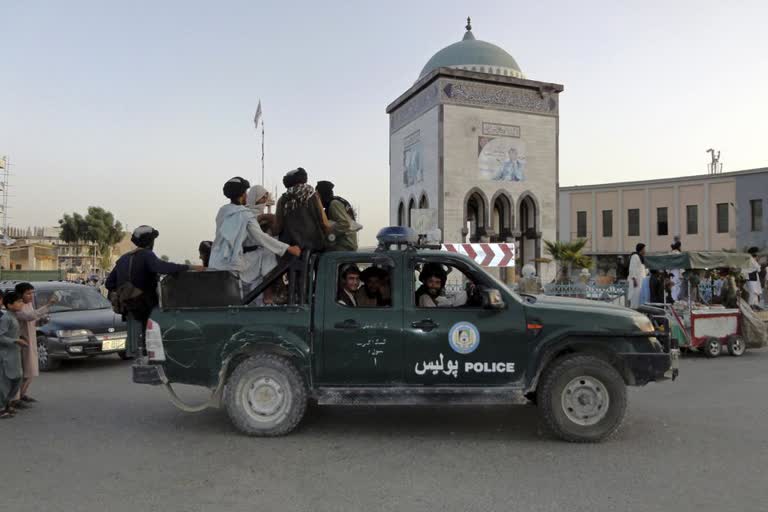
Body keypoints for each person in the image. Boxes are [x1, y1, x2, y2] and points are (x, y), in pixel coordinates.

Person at [106, 225, 200, 357]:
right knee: (154, 342)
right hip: (146, 307)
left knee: (139, 345)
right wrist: (190, 267)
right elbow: (163, 267)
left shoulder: (124, 259)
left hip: (129, 308)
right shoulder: (147, 255)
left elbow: (109, 283)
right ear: (150, 241)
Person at [209, 178, 300, 294]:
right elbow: (261, 238)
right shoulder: (245, 215)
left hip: (215, 262)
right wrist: (288, 248)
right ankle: (269, 294)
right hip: (231, 264)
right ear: (242, 195)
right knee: (269, 254)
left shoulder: (222, 211)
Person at [14, 282, 58, 404]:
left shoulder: (29, 305)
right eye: (28, 293)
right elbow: (29, 316)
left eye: (32, 293)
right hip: (22, 343)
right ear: (20, 295)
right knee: (23, 372)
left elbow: (32, 320)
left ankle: (22, 394)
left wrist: (41, 321)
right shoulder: (18, 306)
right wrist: (49, 305)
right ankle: (15, 398)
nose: (31, 296)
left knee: (30, 371)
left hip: (31, 341)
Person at [275, 168, 331, 251]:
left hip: (291, 250)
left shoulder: (283, 199)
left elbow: (278, 227)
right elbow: (325, 223)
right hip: (314, 249)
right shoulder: (313, 195)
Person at [0, 291, 27, 419]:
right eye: (18, 301)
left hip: (15, 353)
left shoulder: (13, 316)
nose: (21, 304)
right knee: (5, 382)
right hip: (6, 355)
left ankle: (7, 404)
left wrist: (20, 338)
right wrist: (15, 340)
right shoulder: (5, 318)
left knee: (16, 379)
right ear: (9, 305)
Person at [316, 180, 361, 252]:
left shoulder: (334, 203)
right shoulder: (335, 201)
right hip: (344, 244)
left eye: (318, 196)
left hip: (344, 245)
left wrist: (327, 232)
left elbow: (345, 224)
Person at [627, 243, 647, 309]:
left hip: (641, 281)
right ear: (641, 250)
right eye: (644, 249)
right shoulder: (635, 256)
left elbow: (643, 270)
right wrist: (634, 279)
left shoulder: (641, 258)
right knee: (635, 297)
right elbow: (632, 268)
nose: (645, 251)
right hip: (636, 282)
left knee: (639, 298)